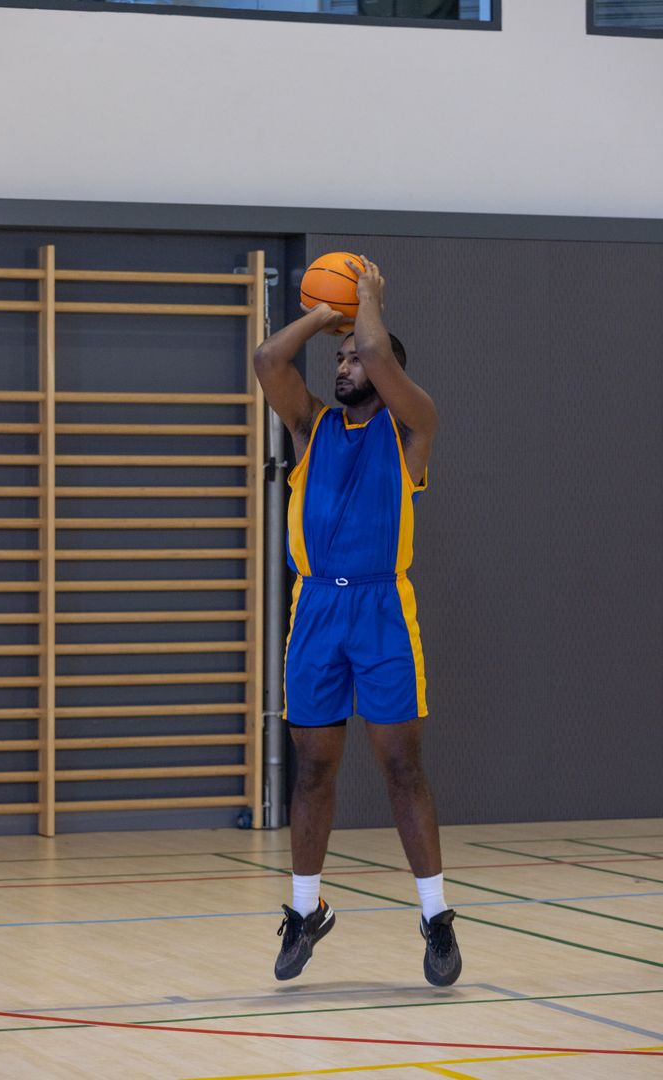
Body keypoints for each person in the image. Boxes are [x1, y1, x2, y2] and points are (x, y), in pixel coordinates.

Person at [253, 256, 461, 987]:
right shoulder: (313, 426)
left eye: (350, 357)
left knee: (402, 767)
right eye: (338, 358)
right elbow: (266, 358)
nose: (342, 363)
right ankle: (305, 911)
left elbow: (378, 349)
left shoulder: (412, 430)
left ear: (385, 373)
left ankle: (437, 918)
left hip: (381, 609)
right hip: (316, 609)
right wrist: (322, 311)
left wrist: (367, 298)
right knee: (313, 769)